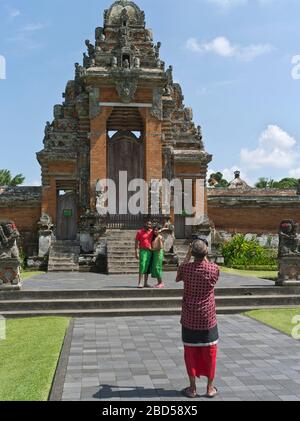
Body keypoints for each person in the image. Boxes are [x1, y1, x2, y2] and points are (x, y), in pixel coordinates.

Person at [176, 239, 220, 399]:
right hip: (208, 319)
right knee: (210, 354)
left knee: (190, 353)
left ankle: (192, 388)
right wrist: (204, 253)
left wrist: (188, 255)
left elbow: (177, 277)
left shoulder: (185, 269)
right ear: (206, 252)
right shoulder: (214, 269)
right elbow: (209, 272)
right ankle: (209, 388)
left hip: (189, 317)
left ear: (192, 252)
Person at [135, 220, 153, 289]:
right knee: (142, 266)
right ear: (145, 224)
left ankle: (145, 283)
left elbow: (159, 231)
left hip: (149, 251)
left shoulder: (151, 232)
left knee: (147, 267)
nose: (149, 225)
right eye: (148, 224)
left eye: (150, 224)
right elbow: (136, 243)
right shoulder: (139, 232)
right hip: (142, 251)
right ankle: (140, 282)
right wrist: (136, 252)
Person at [151, 225, 164, 289]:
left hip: (158, 253)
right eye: (154, 230)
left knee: (157, 267)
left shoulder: (159, 237)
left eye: (156, 230)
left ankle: (161, 282)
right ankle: (159, 282)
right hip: (155, 253)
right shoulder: (154, 237)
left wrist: (153, 249)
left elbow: (160, 247)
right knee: (156, 268)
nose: (155, 231)